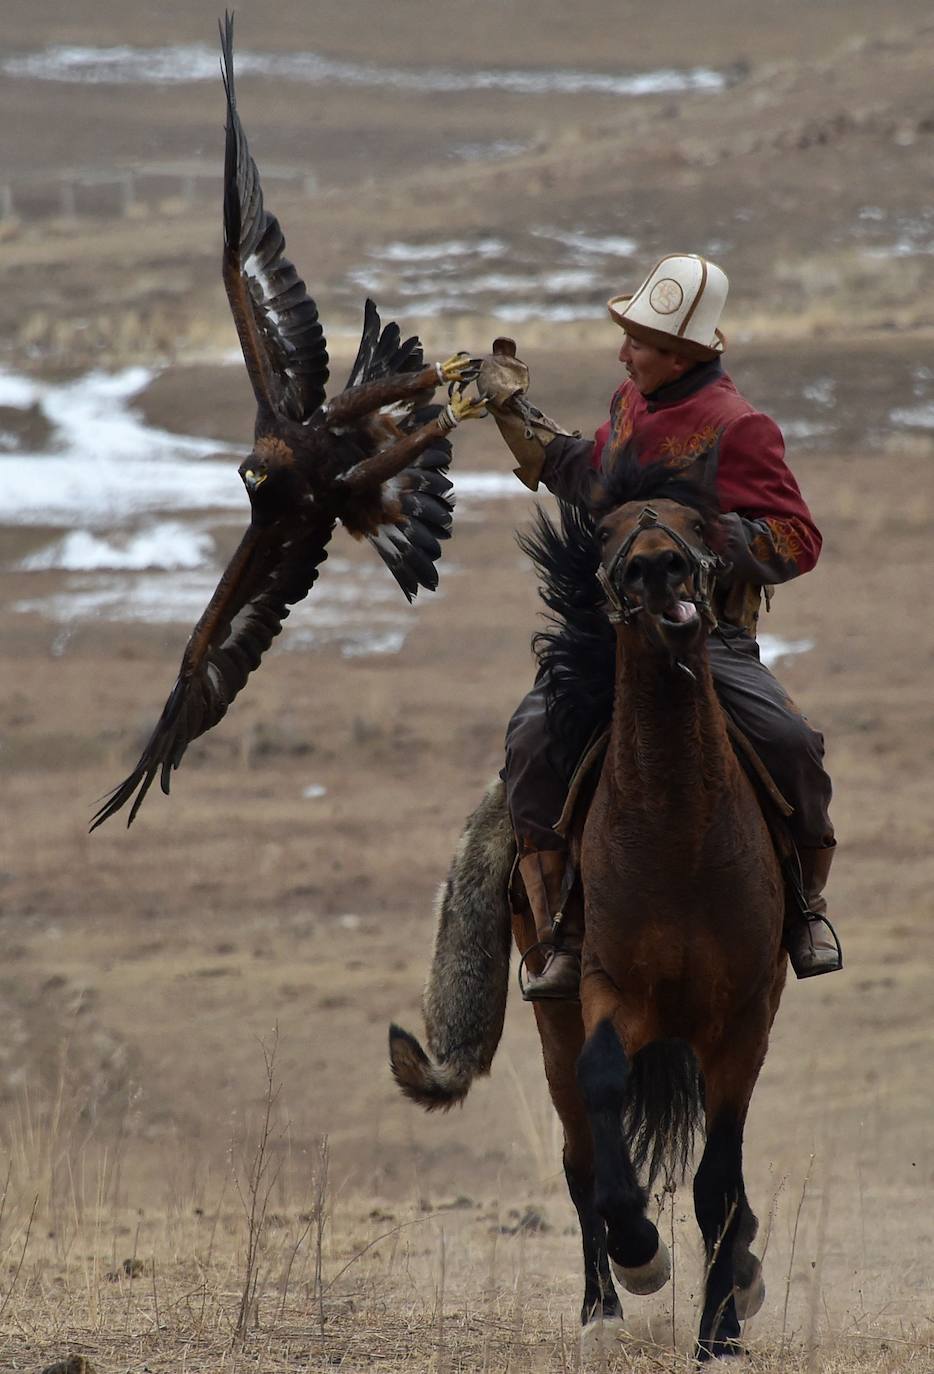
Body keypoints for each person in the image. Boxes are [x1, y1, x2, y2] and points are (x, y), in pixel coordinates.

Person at [475, 253, 841, 999]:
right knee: (532, 738)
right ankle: (558, 930)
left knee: (792, 745)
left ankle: (804, 908)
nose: (623, 352)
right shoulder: (628, 404)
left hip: (706, 637)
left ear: (681, 353)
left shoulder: (741, 428)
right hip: (611, 635)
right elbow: (594, 481)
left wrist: (702, 542)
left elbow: (798, 539)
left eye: (636, 341)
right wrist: (516, 419)